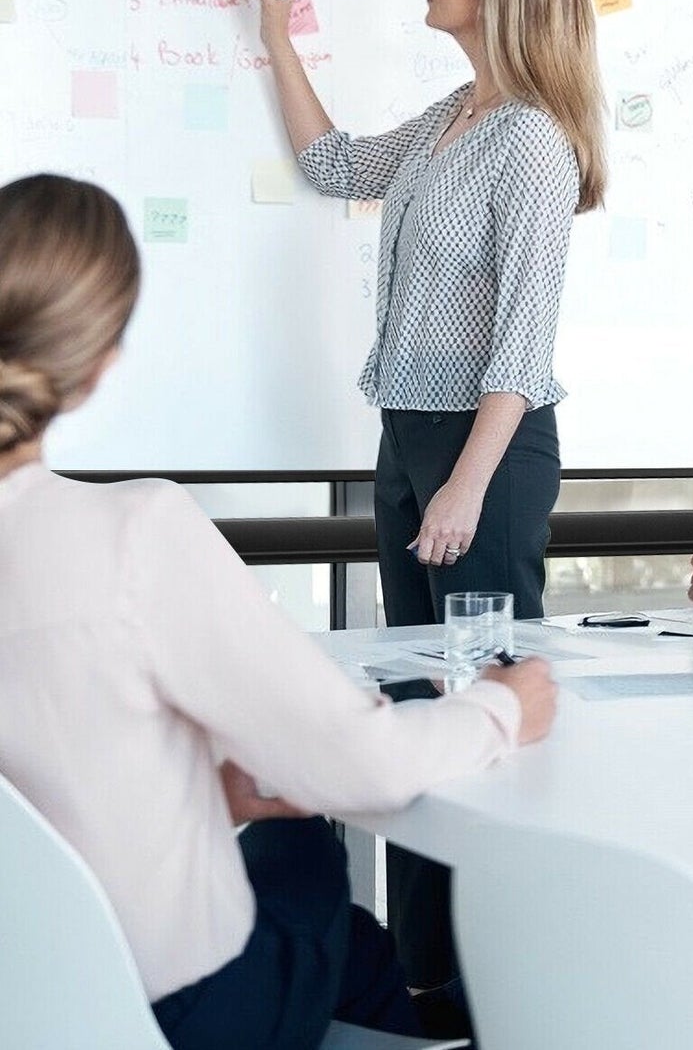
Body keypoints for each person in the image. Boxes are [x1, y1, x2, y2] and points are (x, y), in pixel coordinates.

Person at [0, 173, 558, 1050]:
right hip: (170, 1016)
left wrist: (198, 790)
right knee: (307, 850)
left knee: (351, 939)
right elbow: (363, 765)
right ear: (99, 361)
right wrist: (502, 706)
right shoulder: (132, 532)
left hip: (27, 1001)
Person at [242, 0, 605, 1004]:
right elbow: (336, 164)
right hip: (411, 436)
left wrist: (463, 484)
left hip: (481, 452)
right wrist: (276, 34)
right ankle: (422, 975)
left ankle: (499, 988)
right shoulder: (457, 114)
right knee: (415, 708)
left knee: (486, 719)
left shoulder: (531, 141)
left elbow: (522, 341)